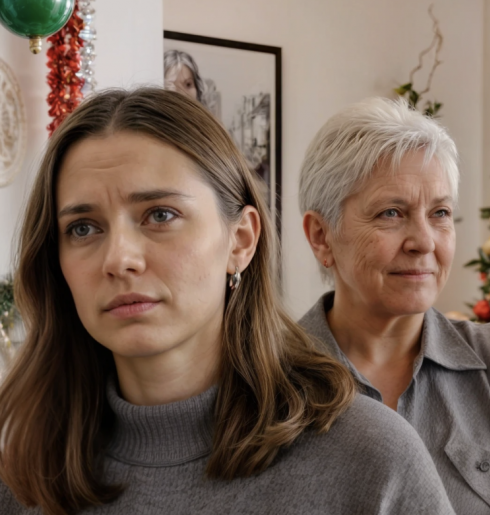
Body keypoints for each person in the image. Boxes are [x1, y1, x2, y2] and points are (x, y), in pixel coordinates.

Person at [0, 88, 455, 515]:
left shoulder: (370, 459)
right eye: (83, 228)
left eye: (160, 215)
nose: (119, 259)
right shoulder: (19, 468)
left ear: (240, 240)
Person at [298, 97, 490, 515]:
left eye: (440, 213)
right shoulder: (261, 379)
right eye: (392, 213)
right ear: (321, 235)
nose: (424, 241)